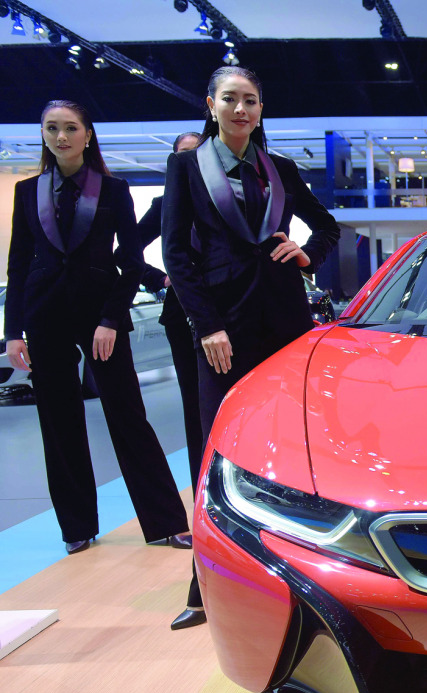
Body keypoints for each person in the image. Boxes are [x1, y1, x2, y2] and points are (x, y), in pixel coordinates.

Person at [162, 66, 340, 629]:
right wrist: (206, 323)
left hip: (285, 320)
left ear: (261, 110)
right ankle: (203, 585)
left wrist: (308, 254)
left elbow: (327, 226)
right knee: (215, 447)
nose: (242, 110)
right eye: (231, 100)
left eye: (252, 101)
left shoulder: (280, 169)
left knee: (291, 449)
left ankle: (290, 580)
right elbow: (176, 254)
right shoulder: (187, 167)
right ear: (210, 104)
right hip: (222, 327)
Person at [4, 100, 190, 555]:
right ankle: (77, 528)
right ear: (44, 134)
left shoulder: (113, 190)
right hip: (44, 316)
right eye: (52, 128)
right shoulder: (27, 192)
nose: (61, 136)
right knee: (58, 421)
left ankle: (166, 521)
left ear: (88, 134)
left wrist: (110, 318)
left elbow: (129, 260)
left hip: (99, 315)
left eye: (70, 128)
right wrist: (14, 331)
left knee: (127, 416)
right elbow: (18, 265)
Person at [134, 132, 204, 496]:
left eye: (195, 153)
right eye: (181, 155)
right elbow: (126, 252)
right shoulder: (163, 203)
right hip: (181, 316)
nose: (188, 161)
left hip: (230, 313)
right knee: (194, 408)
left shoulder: (223, 197)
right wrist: (161, 279)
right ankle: (201, 498)